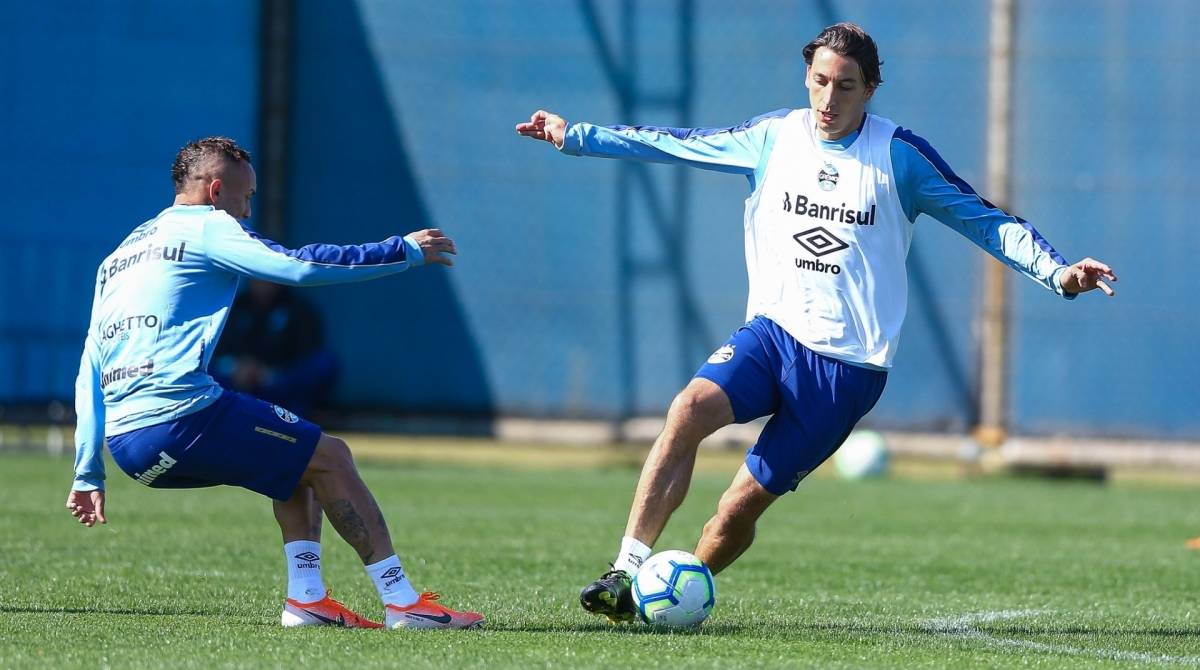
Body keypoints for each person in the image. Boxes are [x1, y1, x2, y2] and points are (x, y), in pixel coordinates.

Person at [516, 22, 1117, 623]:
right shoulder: (772, 138)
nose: (829, 100)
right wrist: (577, 137)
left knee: (736, 510)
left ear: (871, 89)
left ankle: (674, 594)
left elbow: (984, 219)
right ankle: (627, 569)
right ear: (807, 77)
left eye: (846, 87)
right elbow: (674, 142)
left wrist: (1059, 273)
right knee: (688, 410)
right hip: (772, 335)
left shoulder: (899, 157)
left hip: (846, 370)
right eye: (821, 82)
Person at [66, 136, 483, 630]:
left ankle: (306, 600)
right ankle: (404, 603)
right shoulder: (209, 226)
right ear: (217, 190)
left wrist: (87, 470)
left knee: (296, 455)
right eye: (247, 197)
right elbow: (299, 266)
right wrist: (402, 251)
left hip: (129, 443)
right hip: (179, 417)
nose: (247, 211)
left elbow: (89, 364)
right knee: (332, 457)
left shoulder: (118, 257)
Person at [213, 279, 339, 418]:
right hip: (239, 383)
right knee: (204, 369)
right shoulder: (233, 306)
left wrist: (268, 374)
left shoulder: (300, 308)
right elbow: (218, 352)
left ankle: (296, 417)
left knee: (325, 363)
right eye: (257, 278)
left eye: (267, 279)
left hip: (280, 383)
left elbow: (308, 353)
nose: (262, 284)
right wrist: (235, 367)